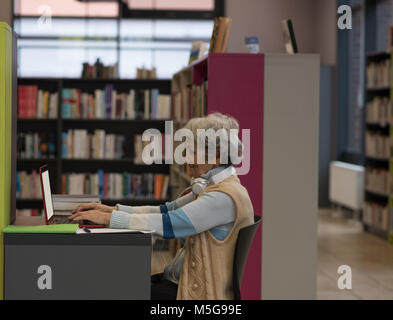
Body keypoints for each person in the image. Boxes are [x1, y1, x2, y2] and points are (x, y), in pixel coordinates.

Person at [69, 113, 254, 300]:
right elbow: (167, 210)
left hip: (190, 294)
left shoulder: (222, 197)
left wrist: (109, 219)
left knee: (109, 290)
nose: (187, 159)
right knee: (114, 284)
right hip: (176, 281)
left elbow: (170, 223)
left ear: (215, 156)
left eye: (193, 152)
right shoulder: (214, 187)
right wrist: (112, 210)